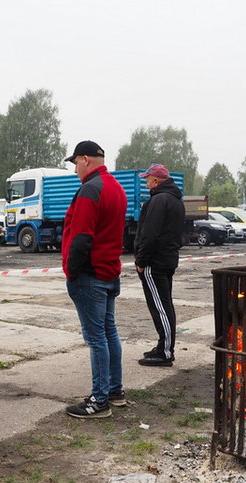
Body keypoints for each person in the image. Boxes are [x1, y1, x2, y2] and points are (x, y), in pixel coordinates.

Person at [61, 141, 128, 419]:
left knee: (97, 337)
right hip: (109, 270)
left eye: (75, 162)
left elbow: (81, 237)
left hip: (91, 275)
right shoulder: (116, 187)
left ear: (86, 159)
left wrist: (72, 272)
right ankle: (115, 391)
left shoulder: (90, 189)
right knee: (108, 332)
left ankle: (99, 400)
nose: (75, 169)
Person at [134, 164, 185, 367]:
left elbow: (150, 234)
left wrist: (141, 261)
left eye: (148, 179)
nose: (146, 182)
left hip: (154, 262)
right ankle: (163, 345)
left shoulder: (158, 201)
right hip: (167, 259)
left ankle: (165, 352)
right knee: (164, 304)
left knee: (160, 307)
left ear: (156, 180)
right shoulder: (175, 200)